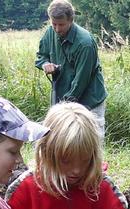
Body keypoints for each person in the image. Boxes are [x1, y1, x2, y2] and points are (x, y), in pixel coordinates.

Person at [34, 0, 108, 136]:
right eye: (53, 24)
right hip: (63, 97)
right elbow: (40, 57)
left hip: (89, 100)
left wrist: (63, 108)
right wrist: (45, 65)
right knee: (63, 144)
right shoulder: (50, 32)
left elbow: (81, 80)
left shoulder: (85, 43)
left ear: (71, 20)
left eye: (61, 25)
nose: (57, 29)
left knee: (91, 145)